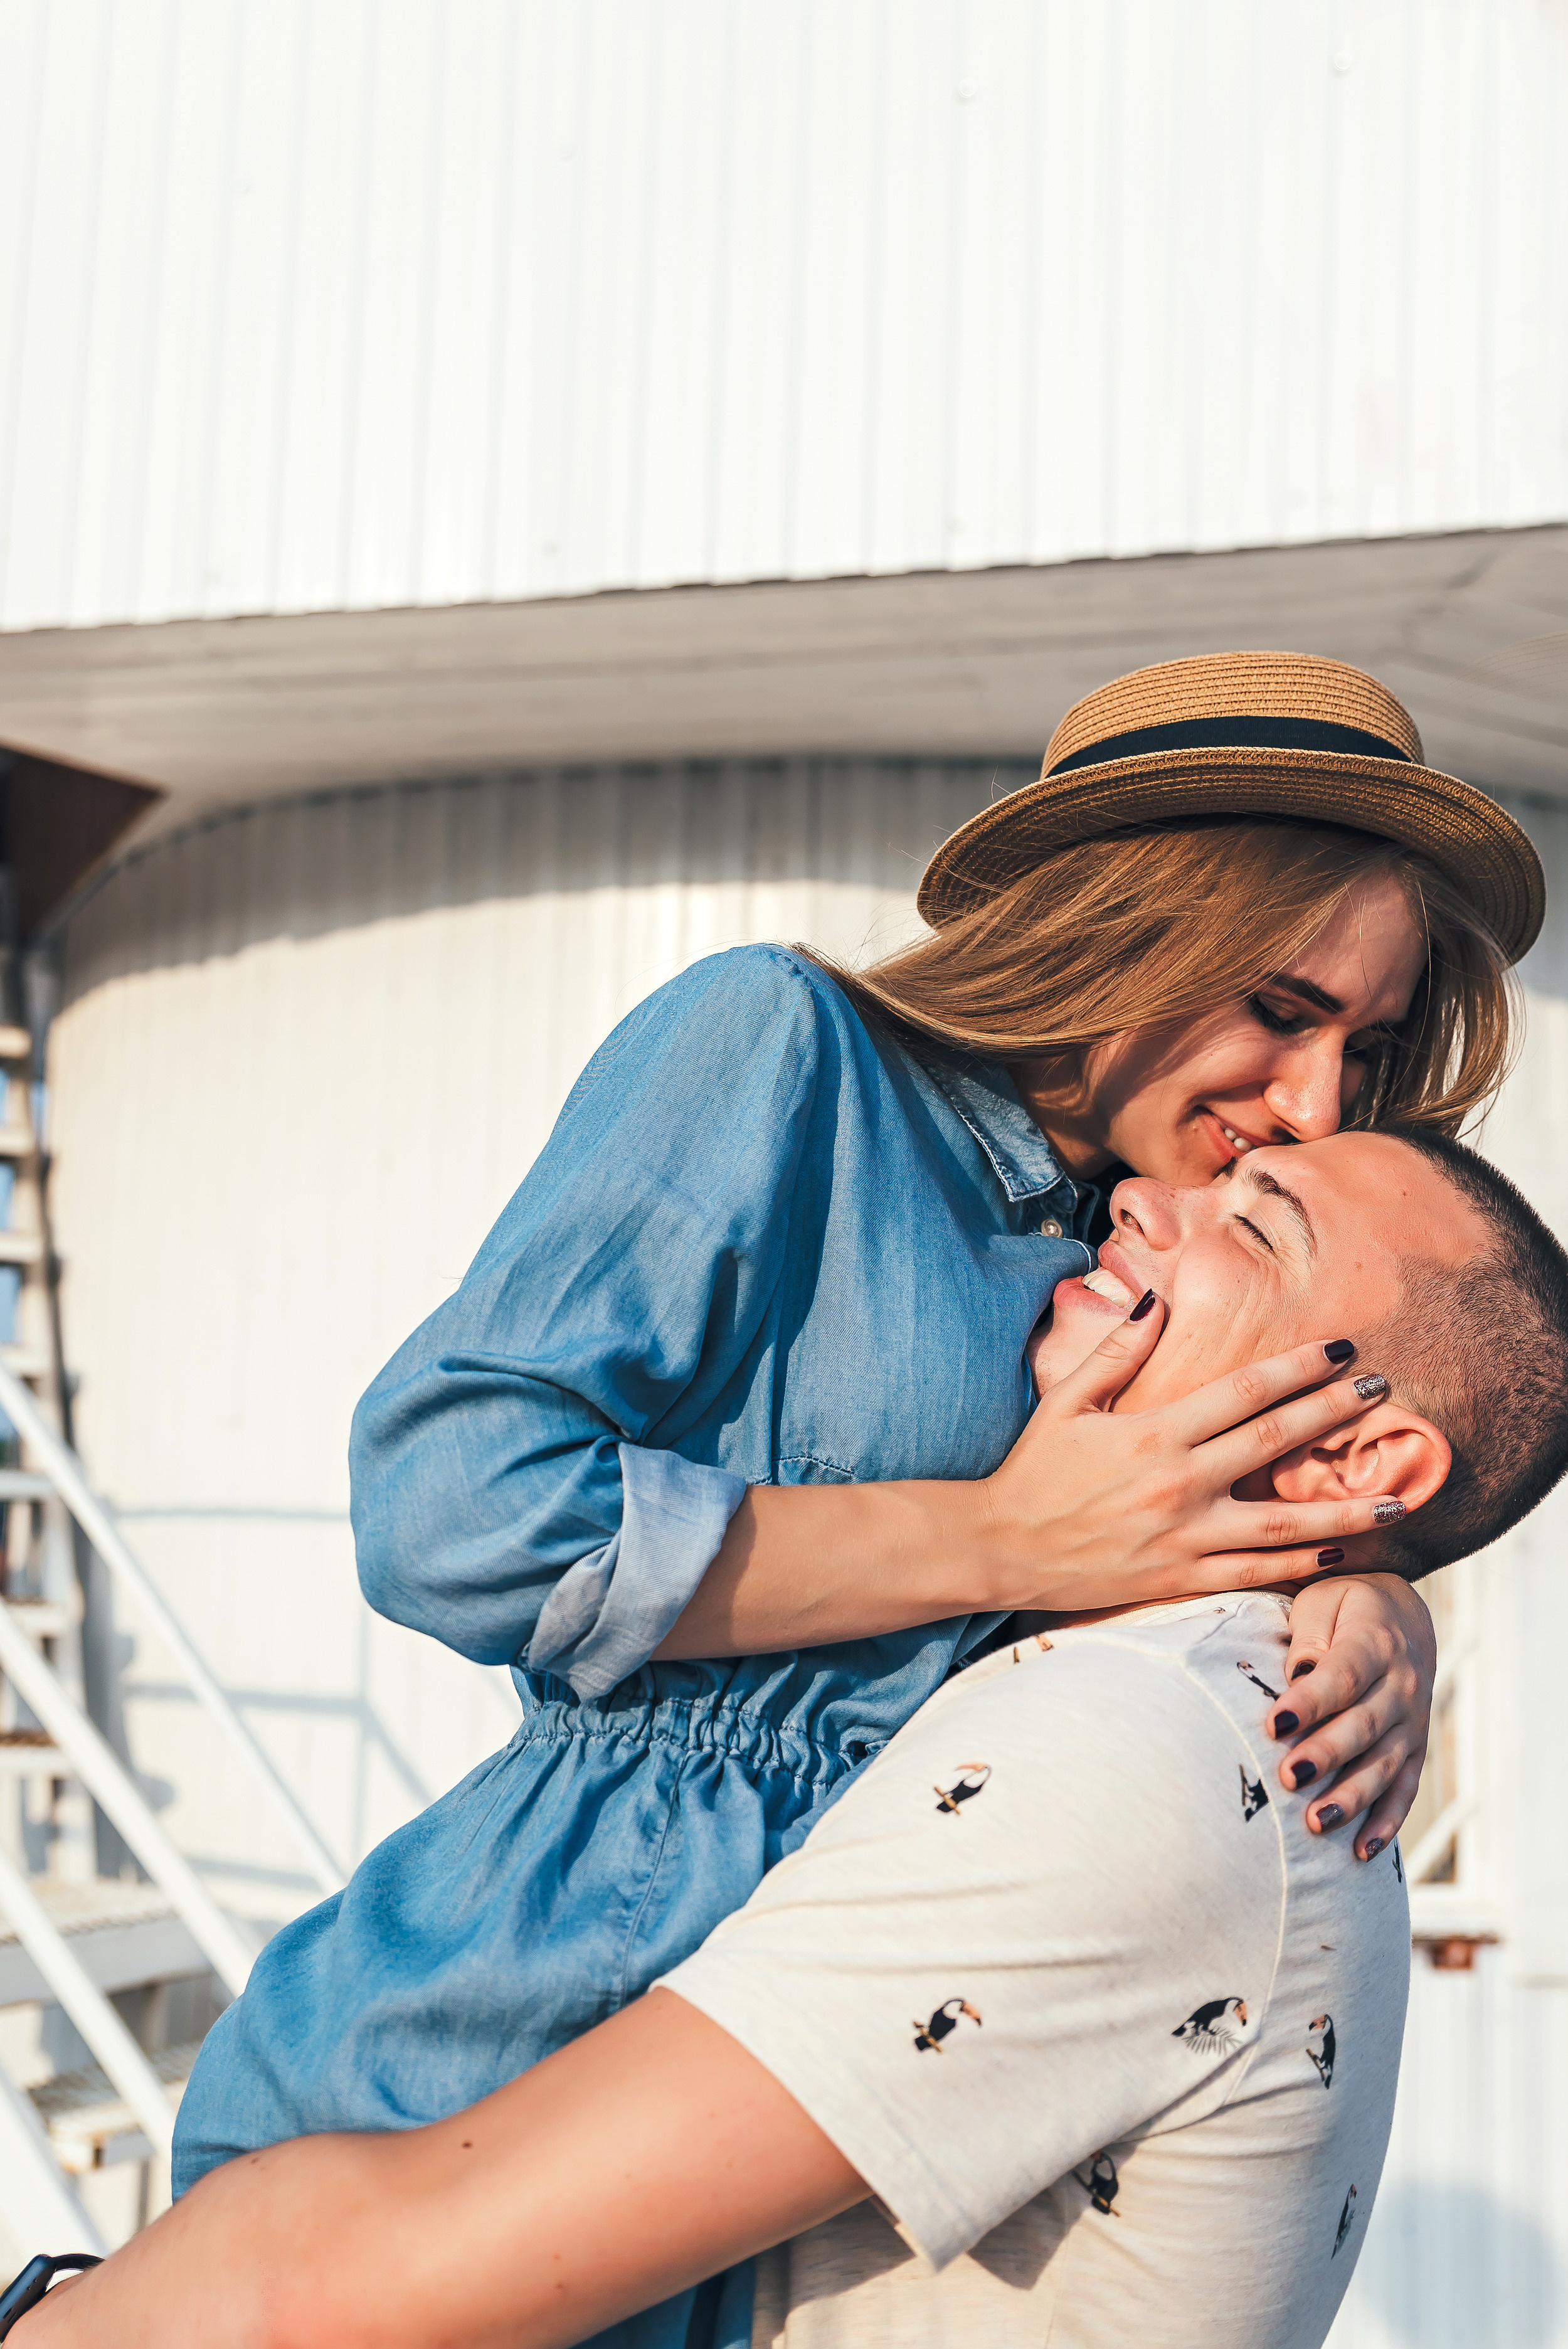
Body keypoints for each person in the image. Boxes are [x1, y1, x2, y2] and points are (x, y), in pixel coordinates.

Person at [169, 654, 1540, 2348]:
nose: (1317, 1101)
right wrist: (1001, 1539)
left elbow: (1243, 1515)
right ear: (1131, 920)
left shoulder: (1139, 1242)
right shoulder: (785, 1051)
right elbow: (448, 1499)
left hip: (815, 2150)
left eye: (1367, 1042)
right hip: (503, 2030)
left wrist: (1361, 1589)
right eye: (1279, 1007)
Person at [20, 1124, 1568, 2349]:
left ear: (1366, 1451)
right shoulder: (1185, 1689)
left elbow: (339, 2296)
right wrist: (1361, 1576)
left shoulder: (1138, 1749)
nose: (1149, 1199)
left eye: (1253, 1224)